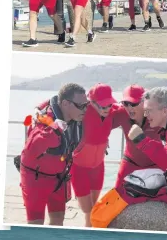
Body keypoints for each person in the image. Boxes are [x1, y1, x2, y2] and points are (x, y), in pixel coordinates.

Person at [19, 83, 87, 226]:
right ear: (65, 103)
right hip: (35, 177)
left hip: (59, 177)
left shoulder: (77, 118)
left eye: (85, 105)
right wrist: (54, 131)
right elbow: (31, 150)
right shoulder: (44, 120)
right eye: (81, 106)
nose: (85, 109)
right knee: (35, 223)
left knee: (58, 218)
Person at [71, 84, 117, 227]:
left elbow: (135, 107)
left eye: (109, 105)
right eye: (103, 106)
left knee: (93, 209)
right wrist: (38, 110)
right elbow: (56, 102)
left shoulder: (112, 111)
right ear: (91, 102)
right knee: (87, 209)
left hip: (98, 167)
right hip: (79, 167)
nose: (107, 109)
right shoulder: (82, 111)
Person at [111, 85, 162, 188]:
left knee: (159, 198)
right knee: (117, 194)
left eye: (134, 103)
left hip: (155, 164)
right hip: (130, 161)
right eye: (126, 103)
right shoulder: (121, 113)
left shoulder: (156, 115)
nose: (129, 108)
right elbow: (101, 124)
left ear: (144, 102)